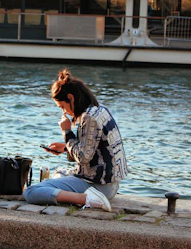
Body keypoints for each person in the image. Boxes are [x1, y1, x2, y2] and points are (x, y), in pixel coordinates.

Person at [24, 69, 129, 211]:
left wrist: (66, 132)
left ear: (71, 98)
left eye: (62, 107)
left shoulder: (88, 118)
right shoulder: (99, 110)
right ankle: (83, 197)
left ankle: (86, 199)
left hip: (99, 186)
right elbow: (94, 152)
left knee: (31, 192)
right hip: (109, 184)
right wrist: (65, 148)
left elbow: (83, 157)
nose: (64, 112)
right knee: (57, 175)